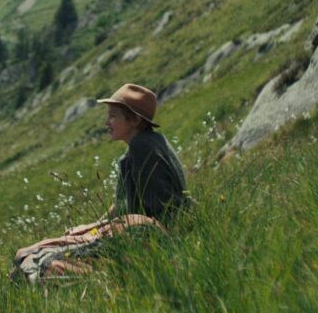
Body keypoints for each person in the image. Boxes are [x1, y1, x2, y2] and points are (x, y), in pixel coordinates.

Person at [13, 83, 189, 282]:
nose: (107, 122)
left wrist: (99, 231)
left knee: (34, 257)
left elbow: (159, 210)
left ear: (135, 120)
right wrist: (94, 225)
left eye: (113, 116)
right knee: (34, 254)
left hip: (144, 233)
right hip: (137, 228)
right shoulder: (147, 144)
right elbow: (126, 205)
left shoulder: (143, 148)